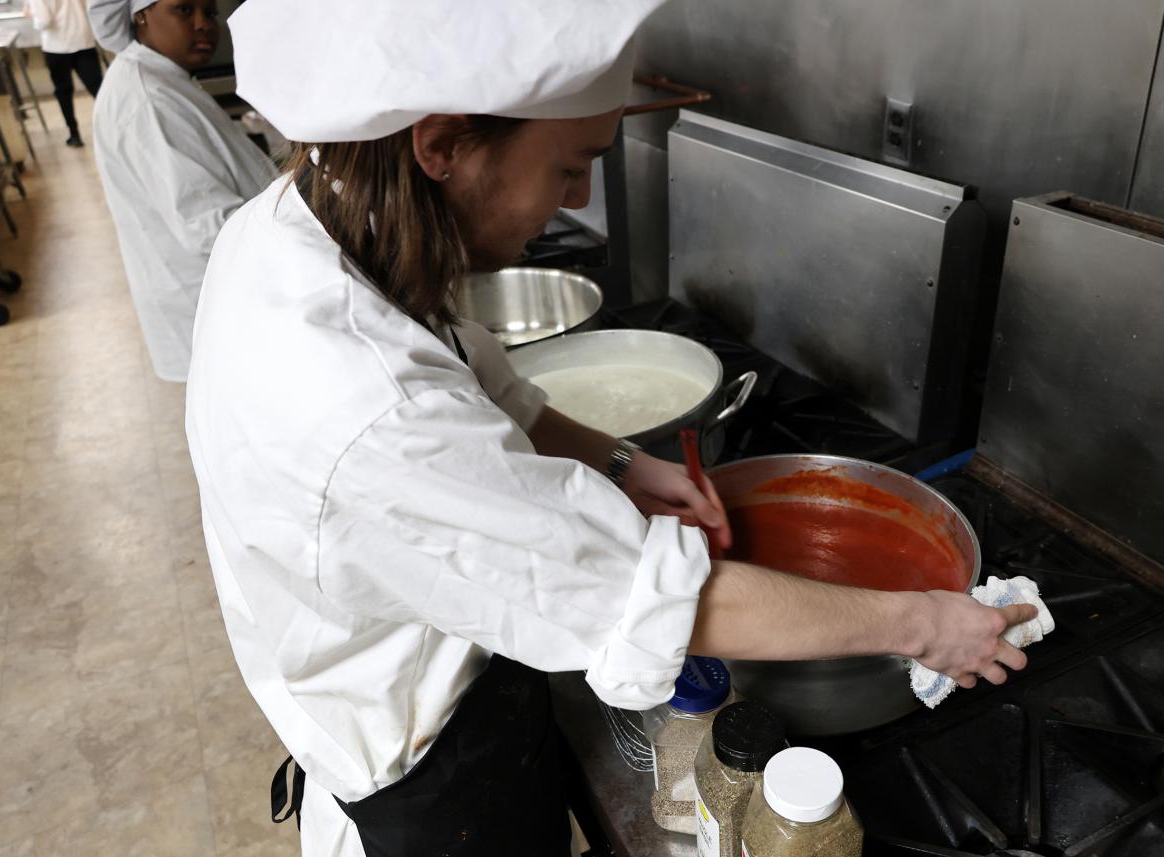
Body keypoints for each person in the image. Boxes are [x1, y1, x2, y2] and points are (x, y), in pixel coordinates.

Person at [185, 2, 1038, 855]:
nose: (582, 197)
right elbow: (662, 598)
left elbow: (464, 374)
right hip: (433, 794)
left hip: (433, 706)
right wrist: (925, 624)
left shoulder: (297, 226)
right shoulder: (365, 414)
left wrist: (624, 460)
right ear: (439, 144)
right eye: (571, 167)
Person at [86, 0, 277, 382]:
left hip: (230, 291)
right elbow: (209, 225)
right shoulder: (148, 99)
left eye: (210, 12)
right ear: (140, 15)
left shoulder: (164, 78)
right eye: (184, 10)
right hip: (216, 300)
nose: (203, 24)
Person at [25, 0, 102, 147]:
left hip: (57, 47)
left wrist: (31, 13)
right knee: (99, 91)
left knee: (64, 92)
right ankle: (115, 127)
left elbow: (44, 21)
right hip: (84, 41)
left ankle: (74, 134)